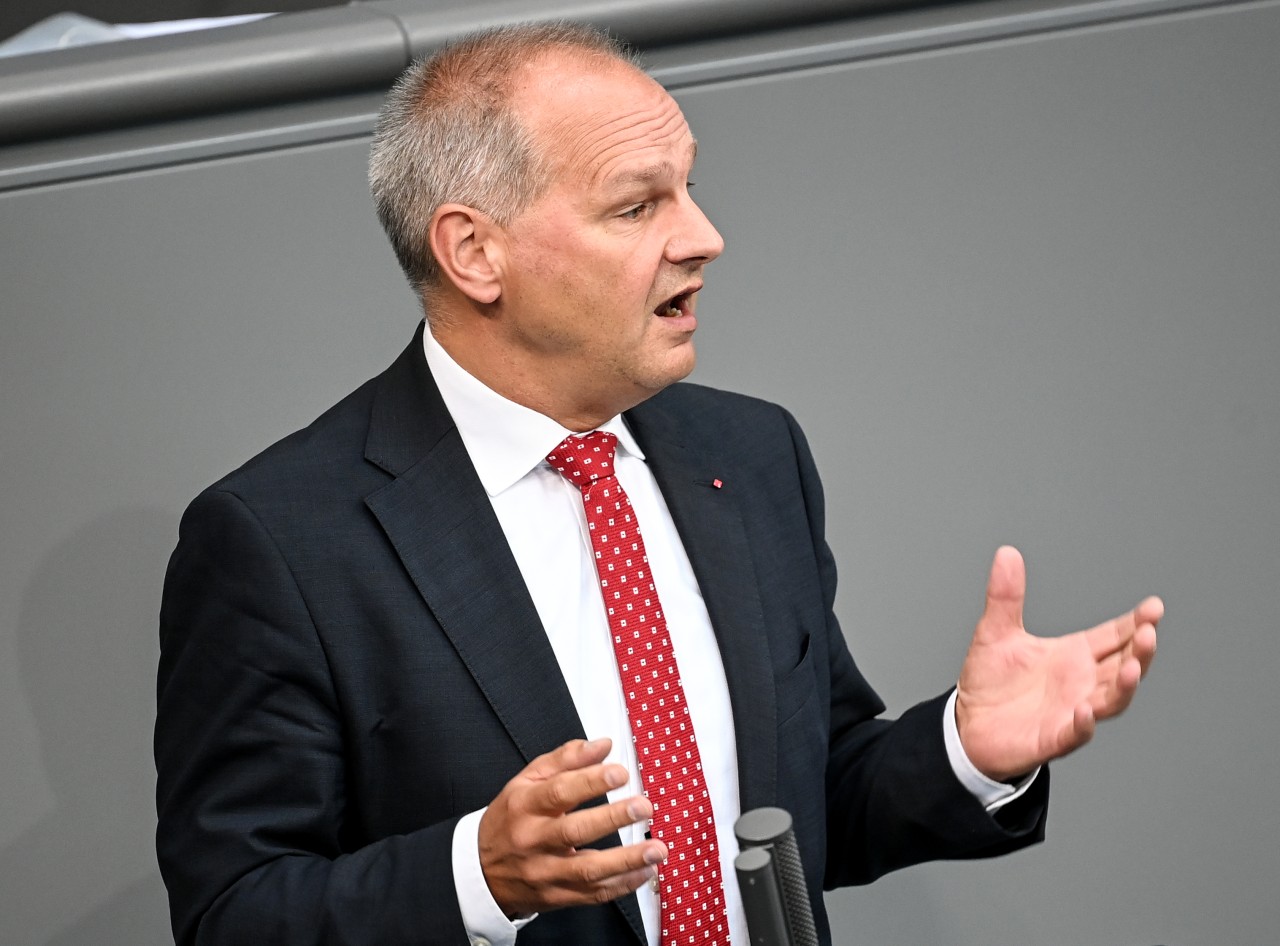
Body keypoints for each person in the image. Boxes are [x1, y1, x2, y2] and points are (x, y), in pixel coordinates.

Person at [154, 23, 1160, 946]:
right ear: (474, 252)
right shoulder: (281, 539)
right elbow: (233, 915)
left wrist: (963, 752)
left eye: (686, 189)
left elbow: (797, 803)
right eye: (637, 205)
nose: (702, 236)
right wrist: (478, 875)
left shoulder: (752, 454)